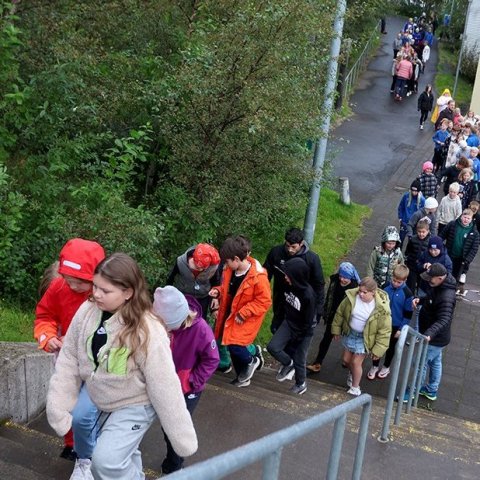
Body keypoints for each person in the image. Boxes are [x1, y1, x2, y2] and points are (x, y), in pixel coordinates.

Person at [46, 253, 198, 479]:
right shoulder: (88, 311)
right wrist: (58, 405)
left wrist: (181, 436)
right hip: (101, 398)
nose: (96, 294)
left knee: (104, 463)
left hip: (134, 404)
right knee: (117, 456)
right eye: (95, 286)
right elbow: (69, 358)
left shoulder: (148, 329)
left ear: (128, 292)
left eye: (105, 291)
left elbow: (164, 383)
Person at [34, 238, 105, 476]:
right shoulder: (58, 287)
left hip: (96, 366)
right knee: (66, 405)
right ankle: (73, 445)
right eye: (69, 281)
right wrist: (47, 336)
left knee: (88, 411)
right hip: (66, 362)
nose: (73, 287)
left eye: (79, 284)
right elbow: (45, 316)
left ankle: (87, 456)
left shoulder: (105, 296)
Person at [153, 287, 219, 474]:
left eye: (168, 326)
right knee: (168, 426)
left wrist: (192, 381)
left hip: (188, 388)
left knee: (177, 427)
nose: (165, 329)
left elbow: (212, 359)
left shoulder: (201, 330)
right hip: (166, 382)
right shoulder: (163, 323)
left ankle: (175, 466)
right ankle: (173, 459)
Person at [211, 236, 272, 387]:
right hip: (230, 314)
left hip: (245, 318)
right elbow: (227, 290)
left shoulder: (258, 277)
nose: (225, 264)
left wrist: (244, 312)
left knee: (234, 345)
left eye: (227, 261)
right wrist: (218, 292)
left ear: (237, 259)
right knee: (231, 346)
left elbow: (264, 301)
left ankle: (252, 360)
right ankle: (242, 377)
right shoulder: (230, 271)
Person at [331, 277, 392, 396]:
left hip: (365, 338)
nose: (361, 294)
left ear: (373, 292)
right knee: (346, 360)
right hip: (351, 333)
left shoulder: (381, 308)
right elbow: (340, 313)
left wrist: (378, 350)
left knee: (355, 362)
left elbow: (385, 331)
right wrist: (336, 330)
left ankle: (355, 387)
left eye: (365, 292)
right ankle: (352, 373)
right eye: (360, 291)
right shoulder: (351, 298)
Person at [267, 257, 317, 395]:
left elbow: (307, 322)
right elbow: (282, 304)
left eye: (288, 276)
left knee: (299, 358)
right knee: (272, 347)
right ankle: (287, 363)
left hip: (304, 330)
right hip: (289, 322)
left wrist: (297, 337)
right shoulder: (286, 285)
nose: (286, 278)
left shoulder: (308, 295)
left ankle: (301, 383)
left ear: (297, 276)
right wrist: (277, 321)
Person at [263, 227, 325, 334]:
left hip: (301, 303)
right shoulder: (276, 253)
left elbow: (319, 284)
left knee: (295, 334)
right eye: (287, 246)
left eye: (293, 247)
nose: (290, 249)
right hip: (280, 299)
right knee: (276, 329)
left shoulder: (312, 259)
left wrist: (318, 308)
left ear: (301, 244)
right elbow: (265, 275)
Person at [306, 262, 360, 374]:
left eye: (345, 278)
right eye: (341, 276)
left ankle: (349, 364)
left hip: (348, 320)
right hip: (333, 315)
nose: (342, 279)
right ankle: (318, 363)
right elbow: (329, 296)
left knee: (350, 342)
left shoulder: (356, 289)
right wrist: (325, 311)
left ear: (351, 277)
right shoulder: (335, 280)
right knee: (326, 339)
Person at [413, 264, 456, 401]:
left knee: (420, 363)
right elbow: (432, 298)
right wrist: (421, 300)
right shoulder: (439, 287)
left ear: (439, 278)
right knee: (435, 361)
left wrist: (429, 333)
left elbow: (444, 319)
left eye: (431, 279)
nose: (428, 281)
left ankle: (413, 391)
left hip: (434, 338)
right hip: (437, 337)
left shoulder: (446, 297)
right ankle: (431, 390)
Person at [367, 265, 414, 380]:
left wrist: (400, 329)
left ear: (405, 280)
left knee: (391, 347)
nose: (395, 283)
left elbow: (408, 314)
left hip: (395, 325)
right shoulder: (385, 286)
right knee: (377, 344)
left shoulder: (408, 294)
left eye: (398, 282)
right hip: (381, 322)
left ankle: (386, 366)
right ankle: (374, 366)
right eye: (394, 280)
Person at [166, 243, 221, 318]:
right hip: (183, 296)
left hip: (202, 298)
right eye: (197, 267)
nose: (200, 270)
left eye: (203, 269)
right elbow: (170, 279)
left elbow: (216, 284)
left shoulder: (212, 268)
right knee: (181, 320)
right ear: (192, 258)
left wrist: (214, 307)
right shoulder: (181, 262)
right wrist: (168, 296)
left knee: (200, 321)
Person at [440, 208, 480, 290]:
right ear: (461, 216)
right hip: (449, 255)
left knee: (455, 277)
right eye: (465, 217)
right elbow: (442, 236)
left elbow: (474, 248)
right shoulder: (452, 224)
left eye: (468, 218)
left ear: (471, 219)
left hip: (461, 259)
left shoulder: (475, 233)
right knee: (445, 273)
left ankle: (451, 291)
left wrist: (468, 260)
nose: (466, 220)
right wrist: (441, 249)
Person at [404, 220, 430, 292]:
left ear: (428, 231)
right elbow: (407, 251)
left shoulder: (430, 241)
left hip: (423, 268)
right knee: (410, 286)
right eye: (419, 232)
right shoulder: (413, 239)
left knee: (421, 288)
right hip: (412, 266)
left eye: (423, 232)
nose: (421, 234)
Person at [397, 179, 425, 244]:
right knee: (400, 240)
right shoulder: (406, 196)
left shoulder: (422, 200)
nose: (413, 193)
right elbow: (401, 207)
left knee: (412, 241)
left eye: (416, 191)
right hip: (404, 222)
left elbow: (423, 213)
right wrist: (400, 218)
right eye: (412, 190)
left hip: (414, 225)